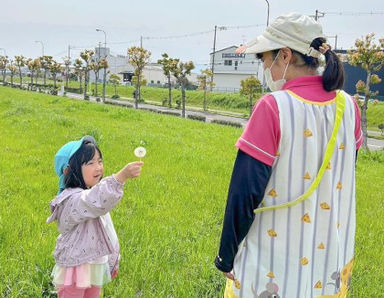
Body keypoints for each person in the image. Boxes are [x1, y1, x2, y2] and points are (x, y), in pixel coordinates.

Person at [215, 12, 362, 298]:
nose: (265, 67)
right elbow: (343, 172)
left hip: (274, 257)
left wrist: (226, 255)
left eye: (265, 59)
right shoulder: (349, 107)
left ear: (284, 56)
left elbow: (244, 192)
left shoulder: (273, 107)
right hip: (328, 253)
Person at [47, 136, 144, 297]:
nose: (98, 167)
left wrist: (112, 261)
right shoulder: (70, 199)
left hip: (95, 265)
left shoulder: (88, 194)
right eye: (90, 163)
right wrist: (120, 177)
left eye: (100, 161)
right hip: (75, 268)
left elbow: (106, 232)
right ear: (69, 170)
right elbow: (96, 199)